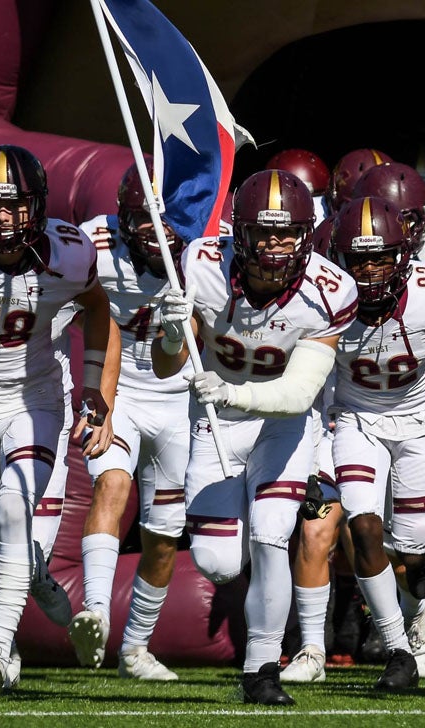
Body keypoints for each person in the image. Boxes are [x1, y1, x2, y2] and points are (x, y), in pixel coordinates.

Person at [152, 169, 358, 706]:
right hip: (216, 425)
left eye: (286, 233)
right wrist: (174, 330)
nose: (274, 247)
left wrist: (231, 392)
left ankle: (261, 669)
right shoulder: (202, 265)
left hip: (281, 426)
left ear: (305, 235)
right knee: (219, 563)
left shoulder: (330, 290)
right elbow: (161, 365)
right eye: (263, 234)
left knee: (271, 536)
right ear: (238, 233)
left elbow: (296, 395)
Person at [324, 195, 425, 691]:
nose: (368, 270)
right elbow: (315, 388)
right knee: (363, 528)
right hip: (357, 421)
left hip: (419, 425)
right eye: (358, 259)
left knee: (414, 551)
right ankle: (397, 650)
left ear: (403, 255)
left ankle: (416, 614)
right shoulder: (325, 302)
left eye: (379, 257)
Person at [0, 145, 118, 694]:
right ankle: (36, 573)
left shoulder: (68, 253)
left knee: (13, 510)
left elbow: (98, 310)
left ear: (37, 206)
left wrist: (94, 392)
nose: (2, 218)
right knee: (10, 534)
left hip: (31, 397)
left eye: (15, 205)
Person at [68, 163, 195, 680]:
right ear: (122, 219)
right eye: (142, 219)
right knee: (112, 485)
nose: (155, 231)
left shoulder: (206, 250)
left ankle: (135, 649)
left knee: (164, 533)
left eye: (163, 220)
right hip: (117, 391)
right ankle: (95, 611)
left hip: (178, 395)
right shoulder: (92, 244)